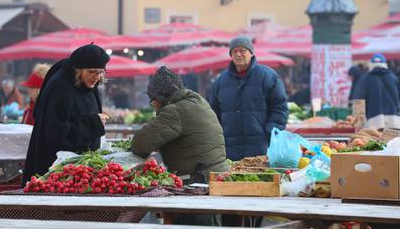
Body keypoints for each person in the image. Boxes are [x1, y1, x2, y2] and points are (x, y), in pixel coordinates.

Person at [131, 66, 228, 226]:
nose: (152, 103)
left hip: (198, 182)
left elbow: (140, 144)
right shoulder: (197, 101)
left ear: (161, 96)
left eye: (152, 98)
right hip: (216, 176)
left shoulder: (174, 111)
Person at [22, 43, 110, 186]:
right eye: (92, 71)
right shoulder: (60, 88)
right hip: (56, 171)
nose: (97, 77)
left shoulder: (87, 84)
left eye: (101, 72)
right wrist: (94, 122)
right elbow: (55, 132)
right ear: (78, 70)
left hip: (79, 170)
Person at [208, 36, 288, 161]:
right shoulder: (221, 81)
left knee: (259, 179)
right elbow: (213, 113)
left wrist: (270, 132)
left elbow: (279, 107)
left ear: (251, 53)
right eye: (234, 51)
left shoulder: (267, 76)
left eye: (242, 50)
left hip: (260, 146)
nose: (238, 54)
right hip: (229, 148)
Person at [353, 53, 400, 130]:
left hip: (373, 123)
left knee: (374, 142)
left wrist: (358, 122)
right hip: (394, 121)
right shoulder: (393, 78)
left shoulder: (365, 79)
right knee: (392, 142)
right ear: (385, 64)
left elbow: (358, 100)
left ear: (371, 64)